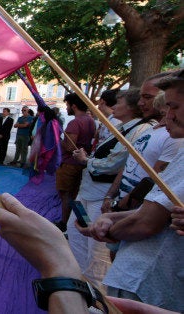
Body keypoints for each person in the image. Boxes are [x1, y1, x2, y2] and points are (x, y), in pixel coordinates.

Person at [76, 70, 184, 312]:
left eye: (174, 106)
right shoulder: (155, 133)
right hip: (140, 274)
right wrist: (112, 215)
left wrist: (105, 228)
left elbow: (147, 222)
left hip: (148, 281)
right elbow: (155, 209)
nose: (168, 116)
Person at [0, 193, 178, 314]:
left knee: (94, 265)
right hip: (137, 279)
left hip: (150, 280)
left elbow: (146, 221)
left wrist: (59, 268)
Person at [67, 89, 151, 290]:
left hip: (101, 195)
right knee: (75, 232)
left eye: (119, 102)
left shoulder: (140, 130)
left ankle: (95, 296)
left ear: (131, 107)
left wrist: (87, 160)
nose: (114, 106)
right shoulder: (121, 127)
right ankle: (78, 282)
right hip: (88, 191)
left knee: (96, 249)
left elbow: (114, 163)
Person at [54, 93, 96, 232]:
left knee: (66, 194)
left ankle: (64, 223)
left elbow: (70, 146)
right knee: (75, 194)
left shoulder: (75, 122)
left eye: (67, 105)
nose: (66, 108)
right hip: (81, 163)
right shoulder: (90, 121)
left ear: (74, 105)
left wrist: (58, 140)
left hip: (70, 164)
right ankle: (73, 221)